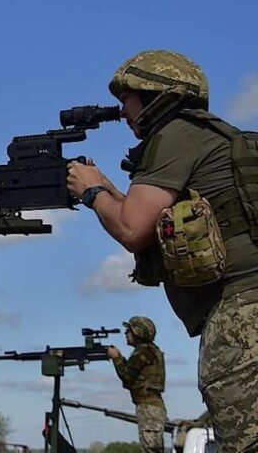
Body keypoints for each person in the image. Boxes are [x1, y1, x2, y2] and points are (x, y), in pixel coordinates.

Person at [66, 50, 258, 452]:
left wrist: (91, 191)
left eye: (128, 99)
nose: (123, 112)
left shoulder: (173, 134)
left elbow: (133, 229)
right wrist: (109, 190)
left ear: (155, 96)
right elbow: (147, 218)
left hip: (241, 318)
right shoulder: (212, 135)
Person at [108, 316, 166, 453]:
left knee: (150, 449)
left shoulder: (143, 351)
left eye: (128, 331)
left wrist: (116, 358)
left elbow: (127, 376)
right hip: (150, 407)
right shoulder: (150, 350)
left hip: (149, 408)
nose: (126, 334)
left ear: (138, 332)